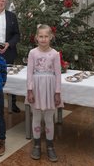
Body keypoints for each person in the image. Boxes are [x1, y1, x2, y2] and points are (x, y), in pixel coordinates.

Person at [26, 24, 62, 162]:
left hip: (50, 89)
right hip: (36, 89)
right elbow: (29, 73)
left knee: (48, 119)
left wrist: (57, 93)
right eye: (40, 36)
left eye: (46, 36)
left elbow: (58, 75)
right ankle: (36, 145)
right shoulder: (32, 53)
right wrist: (29, 90)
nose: (43, 39)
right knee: (36, 117)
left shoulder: (55, 54)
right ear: (36, 37)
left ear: (51, 37)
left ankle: (50, 146)